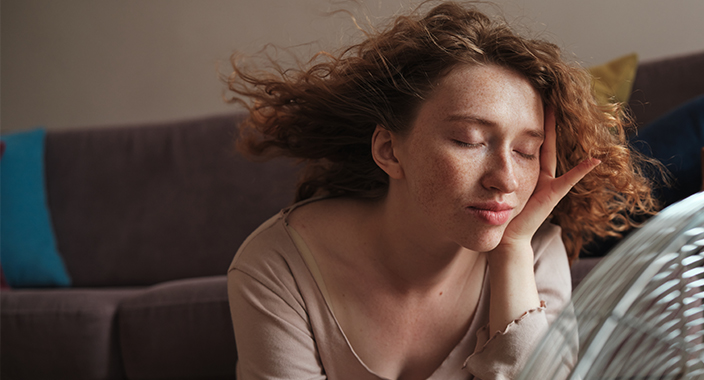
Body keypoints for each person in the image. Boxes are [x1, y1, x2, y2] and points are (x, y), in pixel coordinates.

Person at [225, 2, 658, 379]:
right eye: (469, 141)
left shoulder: (533, 251)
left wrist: (512, 255)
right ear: (389, 149)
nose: (505, 179)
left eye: (527, 151)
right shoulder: (277, 266)